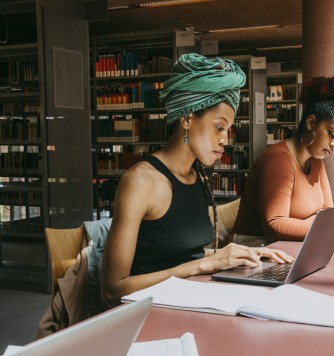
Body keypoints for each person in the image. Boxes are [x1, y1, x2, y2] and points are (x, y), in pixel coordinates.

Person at [101, 53, 292, 307]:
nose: (226, 139)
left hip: (189, 300)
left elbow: (182, 253)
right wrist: (202, 264)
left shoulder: (197, 175)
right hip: (147, 313)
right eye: (219, 127)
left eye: (229, 130)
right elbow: (113, 289)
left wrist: (236, 254)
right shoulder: (140, 182)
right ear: (188, 118)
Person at [230, 76, 334, 246]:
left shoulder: (316, 160)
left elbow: (326, 212)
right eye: (332, 134)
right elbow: (276, 224)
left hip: (291, 242)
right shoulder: (278, 161)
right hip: (256, 246)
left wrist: (324, 225)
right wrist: (331, 229)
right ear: (311, 123)